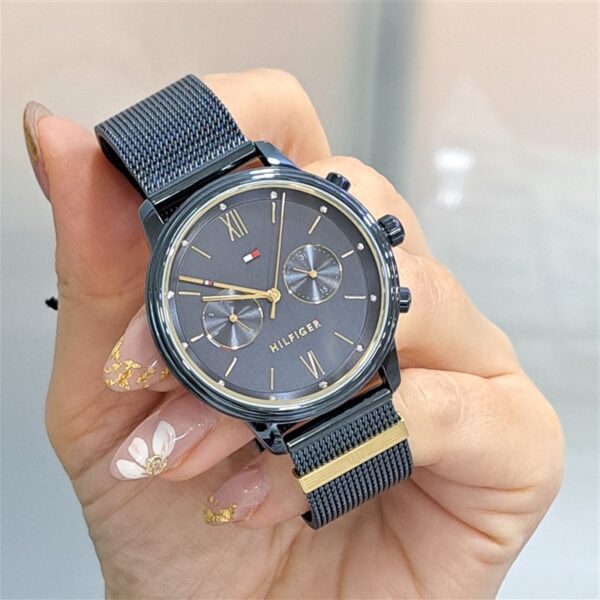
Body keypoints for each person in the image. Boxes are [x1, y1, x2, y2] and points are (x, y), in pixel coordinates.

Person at [24, 69, 563, 598]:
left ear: (380, 238)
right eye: (261, 301)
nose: (272, 298)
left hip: (352, 383)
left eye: (285, 287)